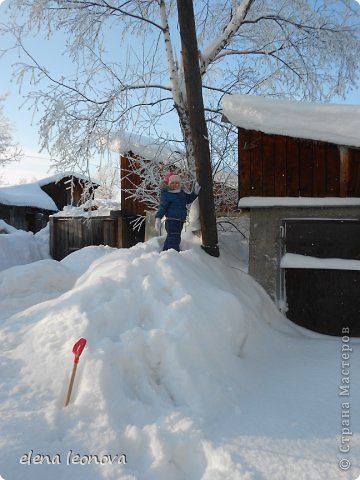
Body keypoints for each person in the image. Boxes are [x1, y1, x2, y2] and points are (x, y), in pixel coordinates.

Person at [155, 173, 201, 251]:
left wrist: (195, 193)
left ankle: (165, 253)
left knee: (171, 237)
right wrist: (158, 218)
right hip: (172, 221)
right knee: (174, 239)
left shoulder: (181, 193)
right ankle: (174, 255)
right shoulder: (167, 194)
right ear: (168, 184)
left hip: (180, 221)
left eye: (177, 183)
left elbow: (188, 199)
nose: (175, 185)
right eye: (172, 183)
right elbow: (162, 207)